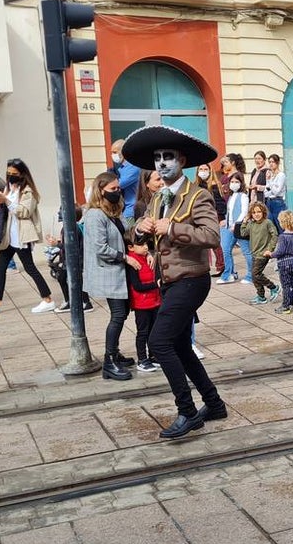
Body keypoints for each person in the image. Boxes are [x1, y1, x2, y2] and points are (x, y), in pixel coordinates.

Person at [128, 125, 227, 439]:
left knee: (159, 343)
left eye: (167, 157)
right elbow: (140, 235)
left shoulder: (198, 196)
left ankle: (187, 411)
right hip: (167, 281)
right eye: (157, 158)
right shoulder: (158, 197)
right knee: (181, 346)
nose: (161, 163)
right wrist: (141, 230)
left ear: (182, 160)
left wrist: (172, 228)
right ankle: (213, 403)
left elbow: (211, 236)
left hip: (191, 279)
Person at [0, 160, 57, 315]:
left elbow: (24, 212)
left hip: (21, 236)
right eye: (8, 173)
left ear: (22, 174)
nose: (10, 176)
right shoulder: (8, 188)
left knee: (30, 268)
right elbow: (7, 210)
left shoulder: (28, 191)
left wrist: (7, 201)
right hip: (8, 237)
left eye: (14, 174)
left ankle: (48, 300)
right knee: (0, 269)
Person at [83, 171, 141, 381]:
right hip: (108, 271)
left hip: (119, 272)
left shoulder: (114, 211)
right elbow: (100, 248)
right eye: (112, 190)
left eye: (118, 189)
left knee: (122, 313)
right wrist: (126, 258)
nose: (117, 192)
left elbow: (126, 232)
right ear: (101, 190)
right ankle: (109, 361)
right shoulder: (95, 215)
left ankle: (114, 353)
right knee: (117, 315)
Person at [127, 240, 162, 373]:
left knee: (153, 330)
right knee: (143, 332)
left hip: (154, 300)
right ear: (131, 247)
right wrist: (156, 285)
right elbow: (137, 286)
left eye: (147, 244)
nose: (146, 247)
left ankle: (153, 356)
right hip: (141, 303)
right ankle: (142, 359)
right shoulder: (133, 262)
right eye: (141, 245)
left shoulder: (147, 257)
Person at [241, 201, 280, 305]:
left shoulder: (267, 223)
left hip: (263, 254)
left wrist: (270, 249)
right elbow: (243, 233)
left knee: (256, 274)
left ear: (263, 212)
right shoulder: (251, 224)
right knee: (255, 277)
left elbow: (274, 235)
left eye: (259, 212)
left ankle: (273, 287)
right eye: (254, 212)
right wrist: (244, 222)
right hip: (254, 253)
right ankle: (261, 296)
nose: (256, 214)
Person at [219, 173, 253, 284]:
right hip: (228, 227)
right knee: (226, 250)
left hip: (239, 227)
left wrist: (236, 224)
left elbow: (244, 211)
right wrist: (226, 220)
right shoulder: (231, 196)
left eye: (236, 182)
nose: (234, 184)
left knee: (246, 251)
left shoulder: (243, 196)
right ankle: (229, 274)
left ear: (241, 183)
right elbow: (230, 211)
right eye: (232, 182)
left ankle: (251, 275)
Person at [195, 163, 227, 275]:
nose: (203, 171)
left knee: (214, 242)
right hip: (199, 216)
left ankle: (221, 265)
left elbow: (220, 203)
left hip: (212, 216)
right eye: (201, 169)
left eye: (205, 169)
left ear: (210, 171)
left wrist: (221, 218)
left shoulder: (214, 185)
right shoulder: (196, 185)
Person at [108, 137, 141, 218]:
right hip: (123, 210)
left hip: (131, 211)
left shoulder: (133, 167)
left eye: (115, 152)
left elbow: (118, 185)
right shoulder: (121, 168)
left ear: (123, 151)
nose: (113, 155)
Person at [264, 154, 288, 229]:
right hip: (269, 201)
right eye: (269, 162)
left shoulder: (281, 175)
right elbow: (266, 191)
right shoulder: (271, 175)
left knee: (280, 224)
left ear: (277, 163)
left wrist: (270, 182)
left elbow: (277, 192)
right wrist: (269, 181)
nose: (271, 164)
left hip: (278, 201)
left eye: (273, 162)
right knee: (270, 225)